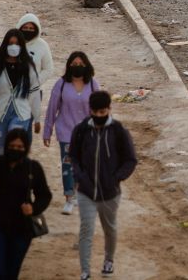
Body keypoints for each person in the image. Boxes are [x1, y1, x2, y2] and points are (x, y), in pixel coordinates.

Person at [0, 128, 51, 280]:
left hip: (22, 230)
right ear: (6, 146)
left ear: (26, 148)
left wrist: (33, 208)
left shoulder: (33, 168)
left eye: (20, 147)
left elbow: (45, 195)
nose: (15, 150)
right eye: (12, 146)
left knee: (12, 274)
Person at [70, 91, 137, 280]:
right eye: (95, 112)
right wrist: (80, 177)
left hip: (110, 193)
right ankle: (85, 271)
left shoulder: (119, 131)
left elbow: (130, 160)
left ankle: (109, 260)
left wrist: (116, 178)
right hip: (86, 192)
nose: (99, 116)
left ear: (109, 109)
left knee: (110, 228)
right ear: (90, 110)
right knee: (86, 230)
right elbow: (73, 156)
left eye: (103, 112)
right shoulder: (81, 130)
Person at [43, 52, 100, 215]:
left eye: (80, 63)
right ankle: (69, 197)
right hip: (66, 131)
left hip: (88, 132)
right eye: (74, 64)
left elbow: (100, 109)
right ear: (69, 66)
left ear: (87, 65)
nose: (77, 66)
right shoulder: (61, 84)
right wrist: (47, 131)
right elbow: (52, 109)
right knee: (68, 165)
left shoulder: (93, 85)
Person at [0, 29, 42, 159]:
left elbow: (34, 94)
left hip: (21, 114)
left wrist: (37, 118)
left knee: (16, 149)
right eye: (10, 43)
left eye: (17, 44)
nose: (13, 47)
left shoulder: (28, 67)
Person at [17, 13, 54, 89]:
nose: (28, 30)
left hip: (33, 92)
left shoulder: (42, 45)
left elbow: (48, 69)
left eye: (31, 28)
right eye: (25, 27)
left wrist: (35, 82)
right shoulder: (12, 42)